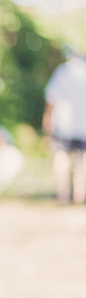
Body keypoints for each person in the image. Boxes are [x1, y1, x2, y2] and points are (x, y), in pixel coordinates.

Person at [43, 53, 86, 205]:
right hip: (83, 126)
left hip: (64, 125)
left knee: (62, 157)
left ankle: (63, 195)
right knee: (82, 160)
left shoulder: (63, 71)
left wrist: (47, 119)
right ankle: (80, 196)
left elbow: (52, 97)